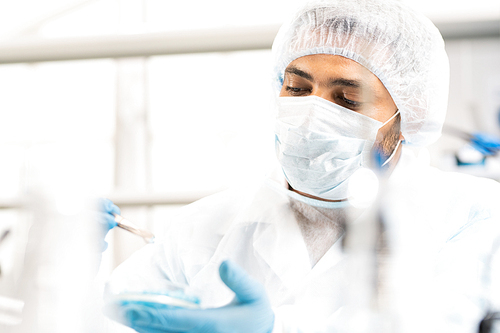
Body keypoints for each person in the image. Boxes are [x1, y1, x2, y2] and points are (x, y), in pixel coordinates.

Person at [100, 0, 500, 332]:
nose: (311, 114)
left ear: (407, 118)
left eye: (347, 99)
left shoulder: (475, 218)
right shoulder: (206, 225)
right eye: (298, 88)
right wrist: (75, 260)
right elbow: (110, 317)